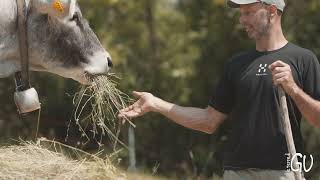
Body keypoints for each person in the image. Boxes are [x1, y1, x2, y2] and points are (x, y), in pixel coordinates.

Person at [118, 0, 320, 179]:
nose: (242, 20)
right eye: (241, 13)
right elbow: (209, 121)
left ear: (272, 11)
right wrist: (156, 104)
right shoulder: (236, 64)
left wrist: (293, 88)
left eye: (248, 12)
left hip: (284, 171)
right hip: (236, 172)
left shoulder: (303, 59)